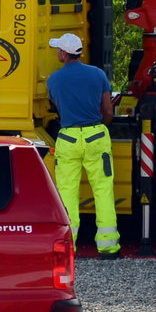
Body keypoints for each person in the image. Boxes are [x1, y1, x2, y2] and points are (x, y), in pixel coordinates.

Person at [45, 31, 119, 257]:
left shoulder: (53, 79)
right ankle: (108, 247)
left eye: (58, 49)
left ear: (63, 53)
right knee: (103, 190)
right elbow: (107, 110)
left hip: (68, 138)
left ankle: (68, 247)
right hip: (96, 135)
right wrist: (100, 125)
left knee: (67, 193)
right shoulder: (97, 75)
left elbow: (57, 108)